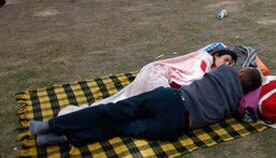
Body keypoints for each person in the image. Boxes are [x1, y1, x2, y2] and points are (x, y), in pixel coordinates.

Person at [29, 65, 262, 147]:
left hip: (170, 99)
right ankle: (57, 139)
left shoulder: (224, 72)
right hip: (175, 126)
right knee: (115, 128)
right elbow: (249, 104)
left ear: (240, 72)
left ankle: (49, 125)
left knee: (109, 111)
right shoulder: (235, 106)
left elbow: (219, 63)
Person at [58, 48, 238, 115]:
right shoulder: (204, 59)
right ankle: (77, 116)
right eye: (227, 60)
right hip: (158, 77)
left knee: (121, 101)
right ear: (217, 55)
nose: (227, 65)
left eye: (231, 65)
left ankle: (76, 114)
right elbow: (194, 78)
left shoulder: (209, 67)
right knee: (128, 107)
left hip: (156, 76)